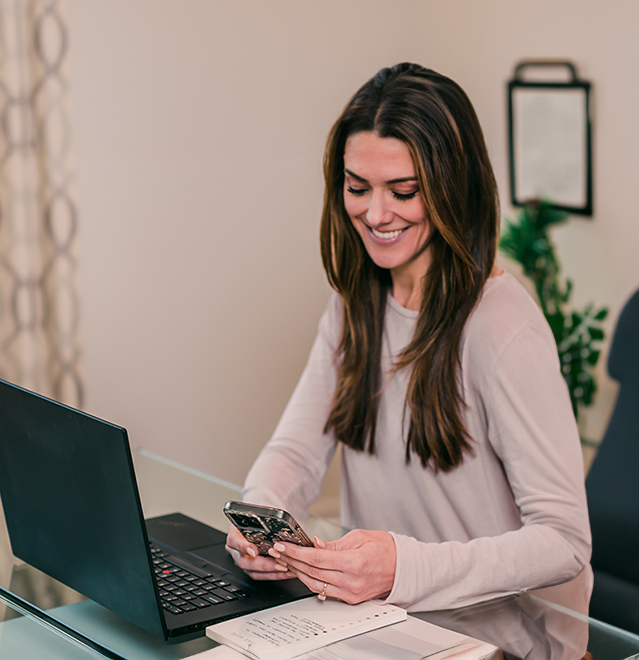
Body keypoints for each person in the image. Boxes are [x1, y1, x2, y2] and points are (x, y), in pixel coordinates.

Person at [225, 63, 592, 612]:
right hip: (381, 625)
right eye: (357, 187)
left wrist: (404, 567)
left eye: (404, 190)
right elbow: (296, 452)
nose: (375, 214)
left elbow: (565, 541)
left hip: (497, 642)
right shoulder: (355, 306)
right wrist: (260, 517)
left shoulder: (503, 326)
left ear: (453, 189)